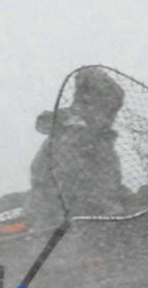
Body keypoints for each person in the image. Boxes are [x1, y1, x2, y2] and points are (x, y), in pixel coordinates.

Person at [24, 67, 129, 228]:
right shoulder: (70, 140)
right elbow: (75, 190)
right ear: (88, 105)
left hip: (91, 226)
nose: (110, 118)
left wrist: (133, 199)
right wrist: (113, 212)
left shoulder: (98, 141)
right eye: (106, 110)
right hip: (62, 232)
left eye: (113, 112)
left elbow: (108, 186)